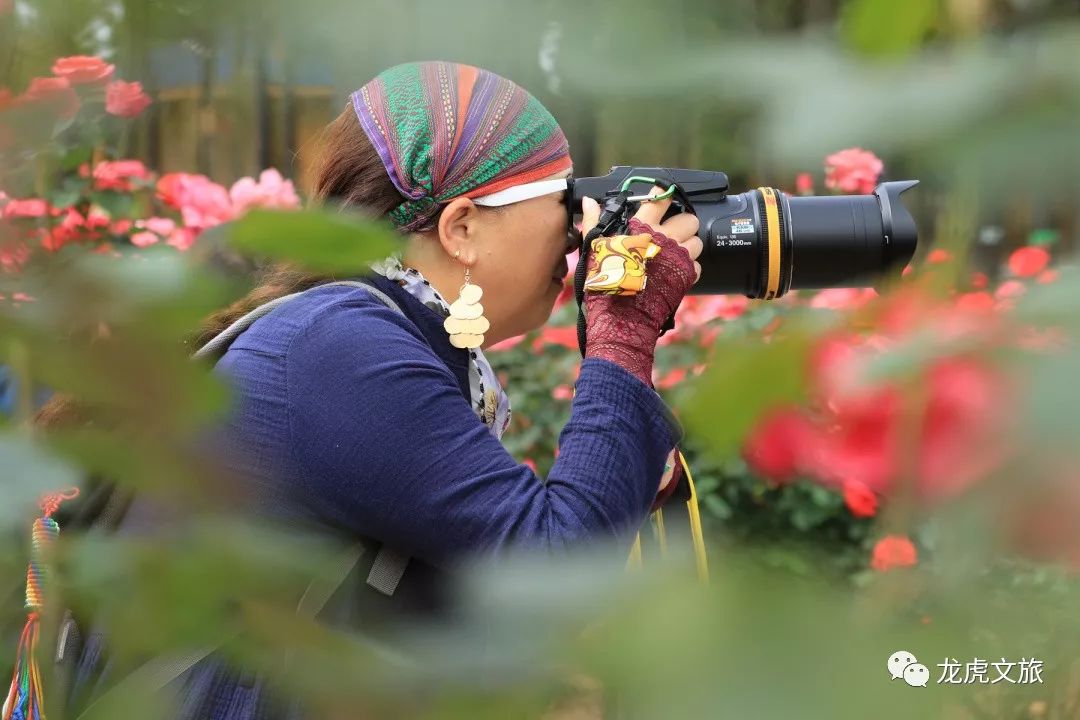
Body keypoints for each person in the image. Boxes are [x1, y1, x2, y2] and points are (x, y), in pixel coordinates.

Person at [67, 60, 703, 719]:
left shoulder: (356, 331)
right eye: (564, 206)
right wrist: (624, 327)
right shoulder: (337, 346)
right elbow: (556, 569)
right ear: (460, 227)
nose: (578, 235)